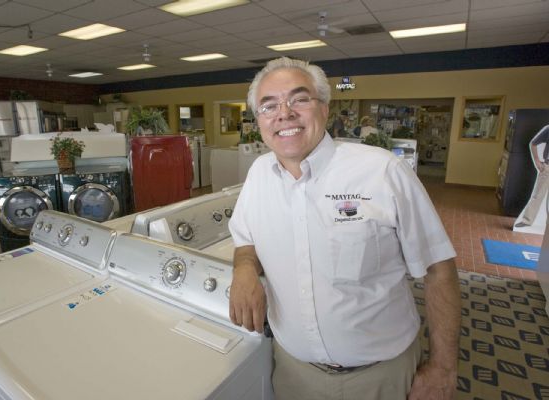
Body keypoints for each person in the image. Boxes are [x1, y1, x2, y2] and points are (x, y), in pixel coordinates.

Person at [228, 57, 461, 400]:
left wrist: (444, 368)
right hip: (293, 374)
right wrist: (244, 269)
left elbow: (438, 270)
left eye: (299, 99)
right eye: (269, 105)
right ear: (259, 119)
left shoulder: (382, 172)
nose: (285, 113)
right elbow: (245, 238)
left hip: (382, 377)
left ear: (324, 108)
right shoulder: (258, 175)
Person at [515, 124, 549, 227]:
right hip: (548, 167)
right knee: (538, 195)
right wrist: (537, 161)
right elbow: (533, 144)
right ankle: (527, 220)